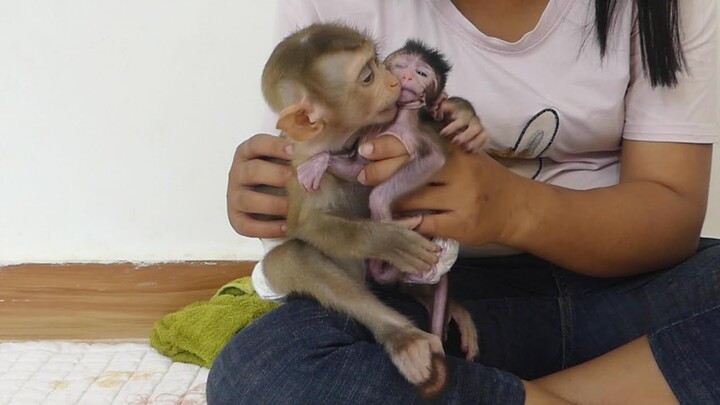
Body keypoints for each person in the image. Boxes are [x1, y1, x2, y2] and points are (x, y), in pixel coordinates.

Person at [208, 0, 720, 403]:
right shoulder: (331, 22)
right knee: (260, 371)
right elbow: (314, 201)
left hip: (625, 284)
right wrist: (269, 195)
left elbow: (671, 215)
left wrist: (511, 208)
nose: (393, 81)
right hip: (443, 300)